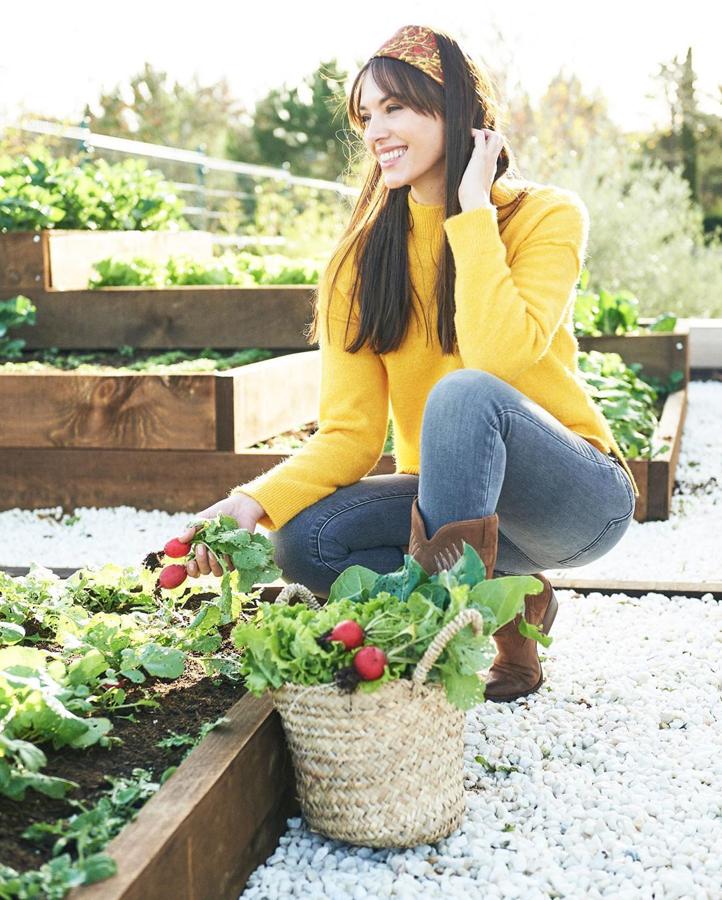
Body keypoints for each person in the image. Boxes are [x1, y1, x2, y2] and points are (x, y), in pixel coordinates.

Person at [175, 24, 639, 702]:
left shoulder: (544, 217)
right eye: (366, 115)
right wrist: (250, 502)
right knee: (304, 543)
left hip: (573, 500)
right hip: (448, 499)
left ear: (451, 108)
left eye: (396, 107)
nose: (375, 131)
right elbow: (350, 436)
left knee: (464, 393)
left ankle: (435, 649)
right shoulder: (358, 264)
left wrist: (474, 210)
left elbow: (498, 360)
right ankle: (514, 603)